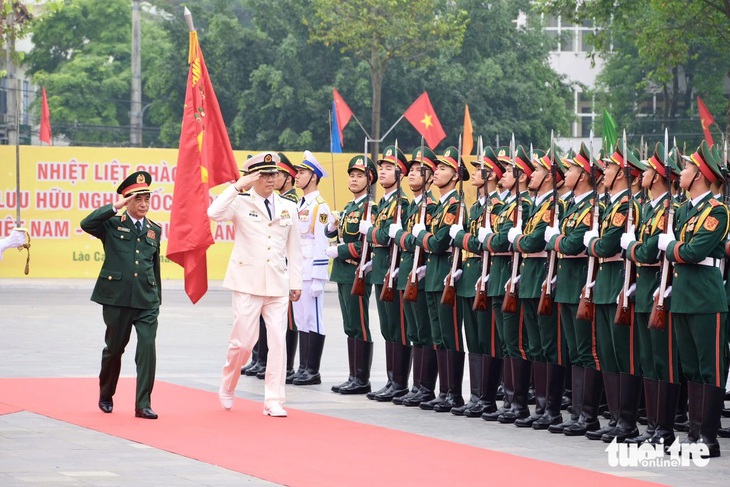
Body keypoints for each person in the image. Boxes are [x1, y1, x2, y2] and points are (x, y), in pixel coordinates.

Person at [209, 152, 303, 417]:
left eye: (273, 174)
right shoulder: (239, 201)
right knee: (243, 343)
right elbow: (213, 213)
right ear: (253, 177)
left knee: (277, 341)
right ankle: (228, 383)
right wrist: (238, 186)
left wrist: (296, 282)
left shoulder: (288, 207)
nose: (271, 179)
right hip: (247, 282)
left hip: (277, 283)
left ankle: (274, 399)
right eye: (264, 174)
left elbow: (294, 248)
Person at [658, 140, 728, 458]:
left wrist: (669, 248)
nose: (681, 172)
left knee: (709, 367)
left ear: (698, 174)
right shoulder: (685, 210)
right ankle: (694, 432)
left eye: (685, 167)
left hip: (705, 297)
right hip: (684, 295)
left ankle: (708, 439)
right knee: (691, 368)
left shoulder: (716, 211)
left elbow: (693, 251)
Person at [80, 171, 162, 420]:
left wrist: (157, 299)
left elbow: (154, 266)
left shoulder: (154, 230)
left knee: (147, 348)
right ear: (127, 201)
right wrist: (115, 207)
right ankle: (106, 394)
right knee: (114, 350)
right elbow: (86, 224)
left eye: (147, 199)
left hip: (146, 300)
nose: (144, 205)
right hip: (116, 298)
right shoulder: (112, 224)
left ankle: (143, 404)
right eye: (138, 200)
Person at [621, 142, 681, 446]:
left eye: (645, 172)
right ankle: (653, 427)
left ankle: (665, 429)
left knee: (662, 361)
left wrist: (630, 247)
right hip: (644, 290)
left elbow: (645, 251)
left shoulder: (669, 210)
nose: (640, 175)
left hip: (660, 289)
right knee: (647, 360)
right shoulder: (648, 208)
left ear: (657, 177)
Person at [544, 142, 602, 436]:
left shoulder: (593, 207)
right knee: (574, 352)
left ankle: (588, 415)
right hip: (566, 285)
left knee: (585, 351)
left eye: (571, 169)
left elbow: (571, 244)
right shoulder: (572, 206)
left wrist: (554, 239)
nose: (565, 173)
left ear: (583, 176)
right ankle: (578, 412)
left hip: (582, 286)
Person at [507, 148, 567, 429]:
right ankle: (541, 406)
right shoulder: (537, 205)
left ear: (550, 177)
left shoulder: (554, 207)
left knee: (548, 345)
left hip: (543, 277)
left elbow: (532, 244)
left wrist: (516, 237)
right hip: (529, 278)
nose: (531, 174)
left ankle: (552, 409)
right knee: (535, 346)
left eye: (538, 171)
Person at [412, 146, 469, 412]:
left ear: (455, 176)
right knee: (438, 336)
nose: (436, 172)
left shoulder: (455, 206)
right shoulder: (438, 207)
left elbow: (436, 243)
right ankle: (443, 390)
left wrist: (421, 236)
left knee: (450, 334)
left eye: (444, 168)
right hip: (433, 275)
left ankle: (454, 393)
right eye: (437, 168)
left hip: (446, 273)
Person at [389, 147, 439, 407]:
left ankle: (425, 387)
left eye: (419, 171)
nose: (410, 175)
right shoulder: (414, 206)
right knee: (414, 332)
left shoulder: (430, 206)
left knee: (424, 331)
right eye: (410, 171)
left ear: (430, 176)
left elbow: (413, 241)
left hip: (420, 274)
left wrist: (399, 236)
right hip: (407, 272)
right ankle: (417, 385)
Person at [360, 144, 410, 402]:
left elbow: (385, 236)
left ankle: (399, 382)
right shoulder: (383, 201)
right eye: (381, 168)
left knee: (398, 328)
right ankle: (392, 379)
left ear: (400, 173)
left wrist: (369, 232)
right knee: (388, 328)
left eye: (389, 168)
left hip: (394, 271)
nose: (382, 172)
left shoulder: (400, 202)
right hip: (381, 271)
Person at [325, 155, 377, 395]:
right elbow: (336, 234)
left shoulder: (371, 208)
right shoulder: (349, 207)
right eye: (352, 176)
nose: (354, 180)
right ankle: (353, 375)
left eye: (360, 176)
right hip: (343, 272)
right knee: (349, 325)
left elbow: (367, 245)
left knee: (359, 325)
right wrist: (332, 227)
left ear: (370, 180)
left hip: (358, 270)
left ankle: (362, 378)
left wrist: (340, 250)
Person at [291, 150, 331, 386]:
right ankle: (303, 366)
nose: (297, 176)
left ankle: (313, 370)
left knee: (314, 318)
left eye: (302, 172)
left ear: (313, 177)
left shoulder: (320, 206)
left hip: (311, 269)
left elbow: (321, 241)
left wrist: (319, 276)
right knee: (301, 319)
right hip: (298, 268)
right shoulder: (301, 204)